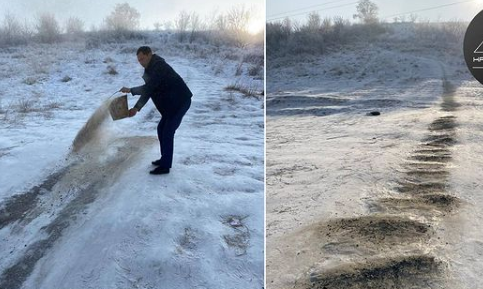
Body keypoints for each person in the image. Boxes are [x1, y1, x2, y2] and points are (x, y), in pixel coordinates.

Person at [121, 46, 192, 175]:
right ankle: (164, 159)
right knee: (161, 129)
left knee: (168, 131)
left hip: (180, 102)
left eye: (142, 59)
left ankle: (165, 166)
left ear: (149, 55)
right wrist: (136, 108)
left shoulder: (159, 66)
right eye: (139, 60)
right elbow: (149, 91)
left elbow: (148, 87)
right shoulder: (149, 70)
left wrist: (131, 90)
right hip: (171, 105)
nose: (141, 62)